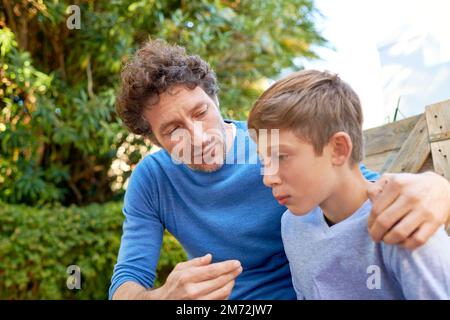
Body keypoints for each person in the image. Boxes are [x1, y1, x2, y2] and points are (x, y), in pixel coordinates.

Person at [109, 39, 450, 300]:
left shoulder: (269, 143)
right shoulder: (152, 180)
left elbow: (351, 184)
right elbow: (126, 282)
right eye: (172, 130)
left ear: (215, 101)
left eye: (200, 113)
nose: (197, 137)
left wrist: (439, 188)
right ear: (155, 140)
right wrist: (163, 296)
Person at [248, 69, 450, 299]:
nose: (268, 178)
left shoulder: (403, 222)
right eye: (264, 162)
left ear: (338, 149)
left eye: (280, 157)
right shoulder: (292, 226)